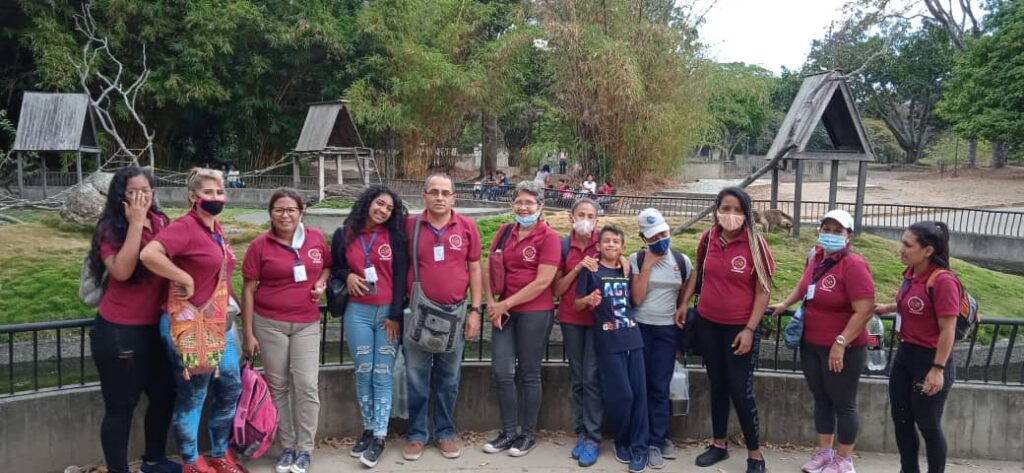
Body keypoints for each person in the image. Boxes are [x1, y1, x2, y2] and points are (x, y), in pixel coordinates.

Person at [140, 167, 245, 473]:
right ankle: (191, 461)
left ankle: (219, 452)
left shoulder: (216, 229)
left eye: (220, 192)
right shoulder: (185, 227)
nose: (216, 197)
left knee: (230, 385)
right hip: (189, 323)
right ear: (192, 197)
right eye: (208, 192)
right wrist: (182, 277)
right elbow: (150, 254)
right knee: (194, 393)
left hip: (217, 323)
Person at [86, 166, 178, 473]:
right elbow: (122, 271)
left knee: (164, 395)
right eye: (133, 192)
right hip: (119, 331)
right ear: (120, 196)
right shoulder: (110, 228)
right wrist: (136, 223)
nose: (141, 197)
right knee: (121, 407)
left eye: (146, 191)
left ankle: (154, 460)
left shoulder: (162, 221)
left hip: (156, 327)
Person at [769, 209, 875, 473]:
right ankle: (824, 453)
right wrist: (785, 303)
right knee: (822, 400)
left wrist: (841, 342)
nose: (830, 235)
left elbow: (864, 310)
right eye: (826, 229)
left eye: (838, 231)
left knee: (844, 404)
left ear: (849, 236)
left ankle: (844, 460)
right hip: (812, 343)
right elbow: (804, 286)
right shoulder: (815, 256)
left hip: (843, 348)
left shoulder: (854, 265)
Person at [680, 187, 774, 473]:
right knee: (718, 385)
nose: (730, 215)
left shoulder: (756, 245)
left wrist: (749, 329)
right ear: (717, 210)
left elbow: (764, 291)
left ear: (746, 214)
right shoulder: (708, 238)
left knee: (740, 390)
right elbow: (698, 273)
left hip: (739, 328)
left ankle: (755, 455)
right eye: (725, 209)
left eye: (737, 210)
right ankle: (719, 445)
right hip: (708, 324)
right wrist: (684, 303)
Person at [241, 188, 332, 473]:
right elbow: (248, 290)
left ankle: (305, 448)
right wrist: (248, 333)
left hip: (306, 323)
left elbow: (327, 267)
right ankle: (288, 446)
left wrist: (321, 284)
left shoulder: (315, 238)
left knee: (306, 385)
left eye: (291, 209)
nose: (285, 215)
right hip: (269, 323)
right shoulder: (259, 246)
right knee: (278, 387)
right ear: (270, 213)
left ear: (301, 212)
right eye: (279, 210)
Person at [401, 173, 484, 461]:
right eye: (434, 191)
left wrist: (476, 311)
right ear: (424, 195)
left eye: (445, 192)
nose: (439, 197)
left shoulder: (467, 227)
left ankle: (445, 432)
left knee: (449, 378)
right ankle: (417, 434)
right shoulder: (410, 225)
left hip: (455, 315)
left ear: (453, 197)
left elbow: (475, 268)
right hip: (417, 314)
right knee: (416, 378)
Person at [329, 185, 409, 468]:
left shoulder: (395, 236)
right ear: (368, 203)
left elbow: (401, 276)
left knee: (382, 375)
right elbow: (335, 266)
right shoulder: (344, 234)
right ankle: (367, 428)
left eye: (389, 208)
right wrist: (347, 276)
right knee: (364, 372)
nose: (383, 210)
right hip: (357, 314)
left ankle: (379, 436)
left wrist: (395, 314)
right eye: (379, 204)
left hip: (388, 314)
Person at [482, 180, 560, 457]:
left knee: (529, 373)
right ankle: (508, 431)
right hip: (503, 311)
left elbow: (543, 282)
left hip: (534, 312)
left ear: (540, 206)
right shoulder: (504, 232)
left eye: (529, 202)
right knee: (502, 371)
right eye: (519, 202)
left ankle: (527, 434)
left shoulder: (549, 237)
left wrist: (505, 304)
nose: (523, 207)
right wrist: (492, 304)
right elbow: (489, 267)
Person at [875, 221, 960, 473]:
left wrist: (937, 369)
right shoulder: (911, 272)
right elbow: (915, 302)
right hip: (905, 356)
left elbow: (948, 329)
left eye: (907, 245)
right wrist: (888, 308)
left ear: (928, 251)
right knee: (901, 420)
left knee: (928, 425)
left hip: (930, 359)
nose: (901, 249)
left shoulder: (943, 281)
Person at [575, 224, 648, 473]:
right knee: (622, 396)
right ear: (598, 245)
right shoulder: (591, 270)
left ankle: (640, 447)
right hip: (607, 341)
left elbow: (636, 299)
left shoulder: (627, 269)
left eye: (616, 241)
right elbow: (576, 304)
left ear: (622, 247)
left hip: (633, 338)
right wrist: (588, 300)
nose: (611, 245)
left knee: (639, 395)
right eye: (606, 241)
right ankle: (622, 440)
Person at [630, 208, 693, 469]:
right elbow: (637, 298)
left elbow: (691, 279)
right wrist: (647, 266)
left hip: (667, 331)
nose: (661, 240)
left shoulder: (680, 260)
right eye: (654, 237)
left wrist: (684, 303)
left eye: (664, 234)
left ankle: (657, 439)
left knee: (659, 386)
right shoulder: (636, 259)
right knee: (640, 386)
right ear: (644, 238)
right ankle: (642, 439)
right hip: (641, 328)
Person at [551, 198, 603, 467]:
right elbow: (557, 290)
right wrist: (578, 267)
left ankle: (593, 435)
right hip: (571, 319)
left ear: (597, 220)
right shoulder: (562, 246)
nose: (585, 219)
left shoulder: (603, 243)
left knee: (592, 377)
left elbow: (618, 271)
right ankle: (582, 430)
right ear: (571, 217)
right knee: (578, 377)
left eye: (590, 215)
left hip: (597, 320)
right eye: (581, 214)